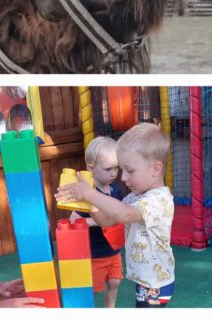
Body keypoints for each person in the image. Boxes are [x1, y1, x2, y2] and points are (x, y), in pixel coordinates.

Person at [56, 123, 175, 308]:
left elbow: (122, 213)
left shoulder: (159, 200)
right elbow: (108, 220)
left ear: (156, 169)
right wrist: (90, 205)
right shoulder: (136, 197)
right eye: (123, 170)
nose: (124, 177)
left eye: (130, 171)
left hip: (156, 284)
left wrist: (89, 193)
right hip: (146, 280)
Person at [70, 136, 124, 308]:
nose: (114, 173)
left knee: (115, 282)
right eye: (108, 169)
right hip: (95, 253)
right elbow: (74, 220)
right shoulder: (87, 193)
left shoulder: (116, 189)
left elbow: (119, 213)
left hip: (113, 250)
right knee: (92, 289)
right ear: (91, 168)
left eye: (116, 167)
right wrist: (97, 222)